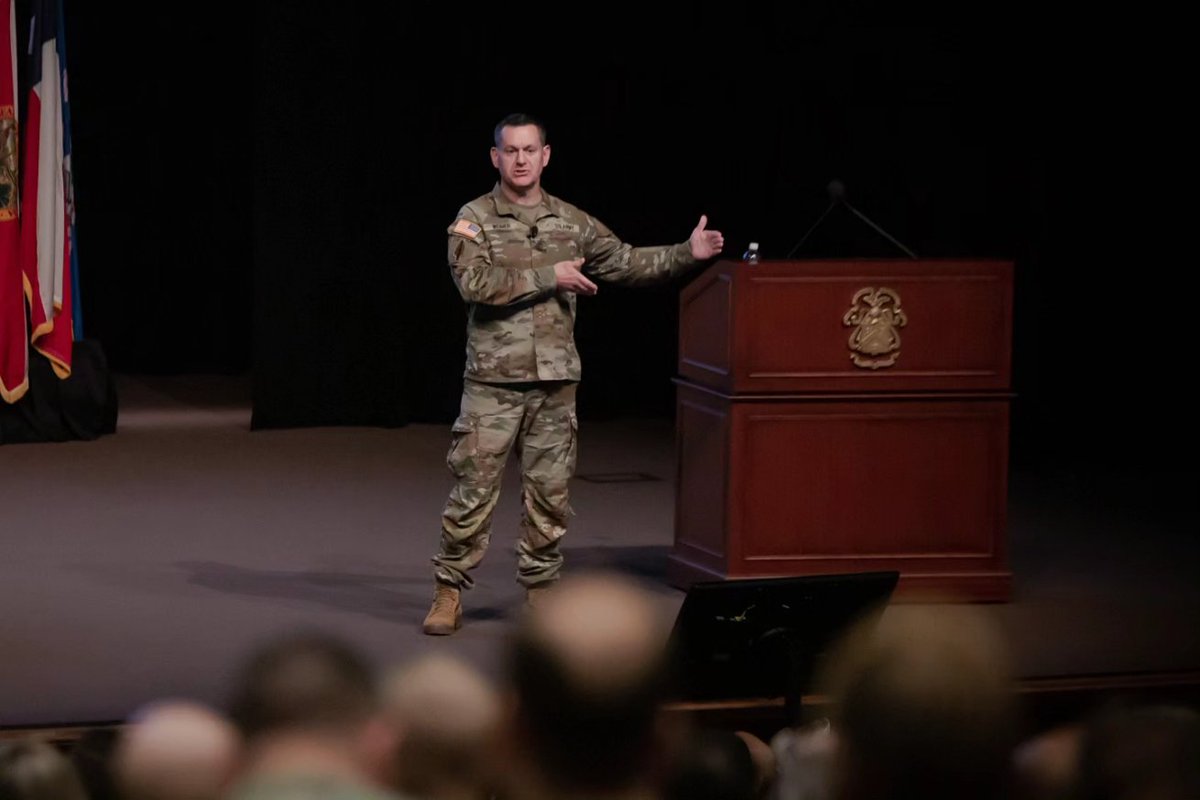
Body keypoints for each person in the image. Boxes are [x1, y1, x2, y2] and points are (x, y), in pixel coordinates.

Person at [423, 113, 724, 635]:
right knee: (472, 492)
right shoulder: (473, 218)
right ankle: (449, 591)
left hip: (555, 383)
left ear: (546, 156)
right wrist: (549, 275)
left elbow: (625, 261)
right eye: (510, 151)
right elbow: (474, 282)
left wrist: (686, 254)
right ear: (495, 158)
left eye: (529, 150)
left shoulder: (571, 222)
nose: (520, 159)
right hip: (494, 383)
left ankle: (541, 594)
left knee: (550, 497)